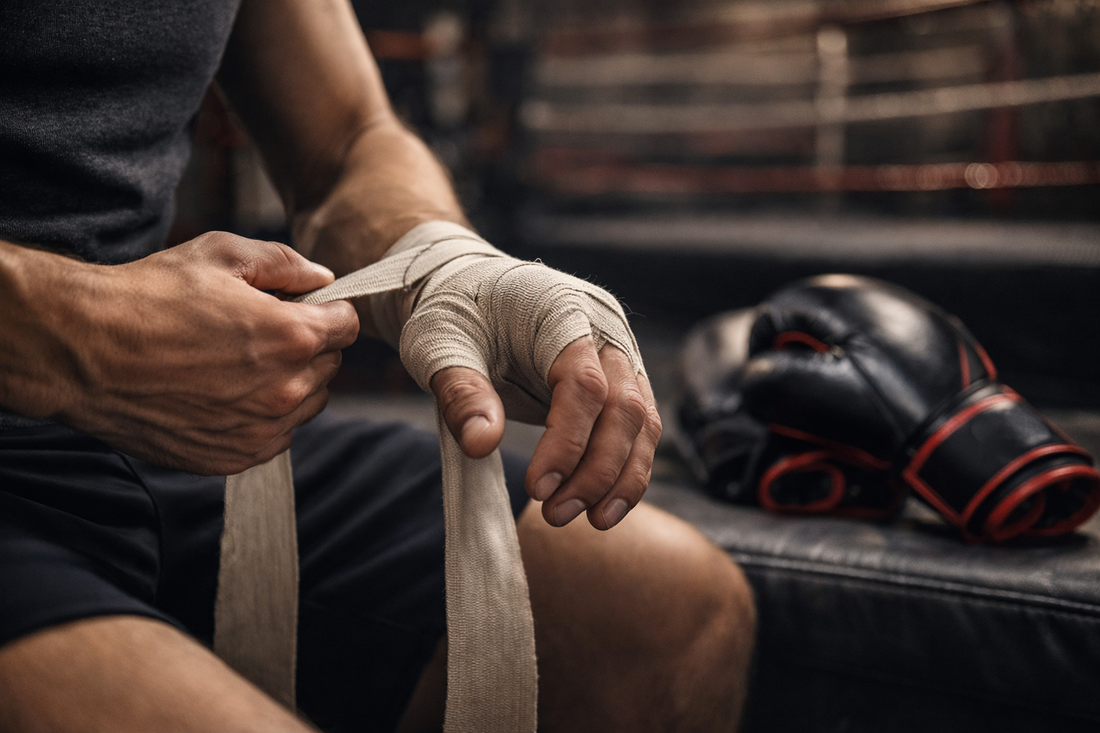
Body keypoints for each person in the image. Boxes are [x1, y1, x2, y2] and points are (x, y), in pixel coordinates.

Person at [0, 0, 756, 731]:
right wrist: (75, 328)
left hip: (135, 438)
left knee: (668, 607)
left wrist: (446, 263)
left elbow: (345, 138)